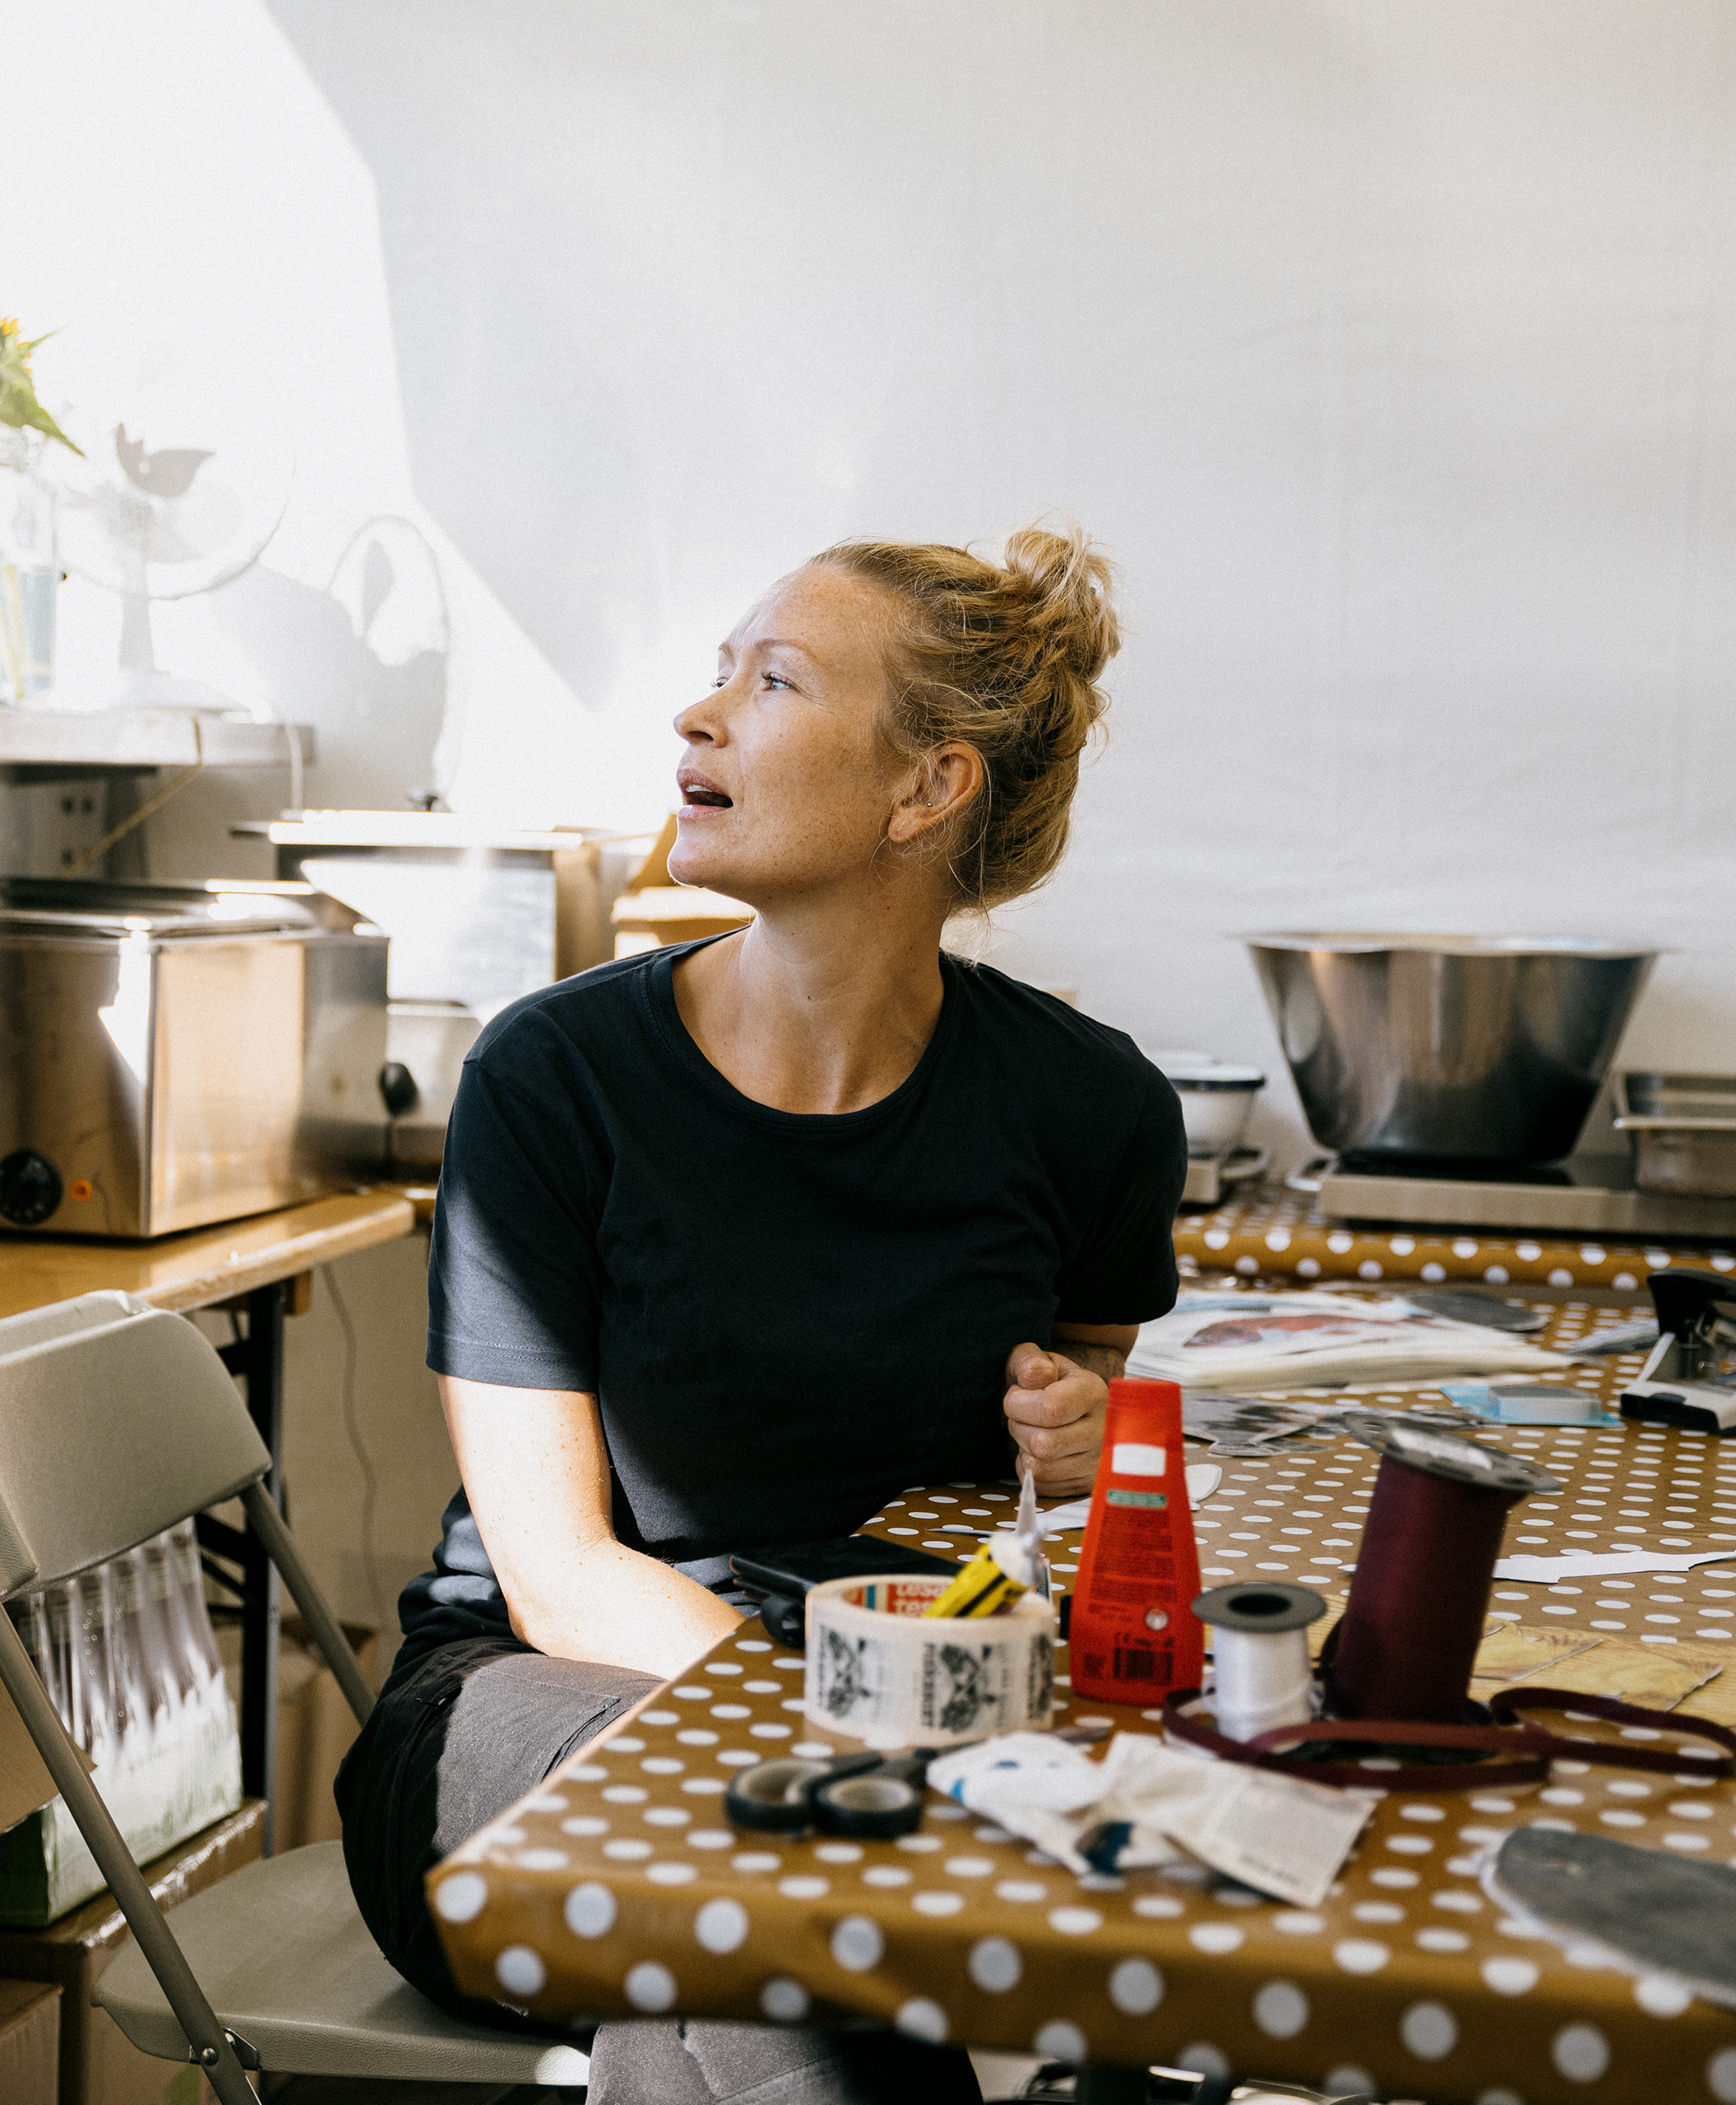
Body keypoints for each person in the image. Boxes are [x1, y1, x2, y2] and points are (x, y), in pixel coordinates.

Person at [336, 525, 1187, 2105]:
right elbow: (556, 1575)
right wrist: (857, 1732)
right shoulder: (554, 1080)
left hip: (896, 1723)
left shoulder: (1090, 1108)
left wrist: (1077, 1435)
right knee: (798, 1859)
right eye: (719, 671)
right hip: (525, 1721)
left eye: (774, 682)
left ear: (926, 789)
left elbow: (1077, 1433)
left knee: (803, 1943)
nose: (699, 714)